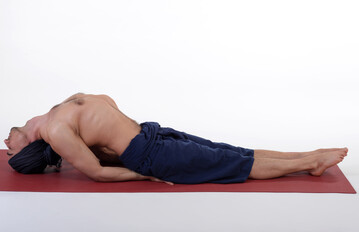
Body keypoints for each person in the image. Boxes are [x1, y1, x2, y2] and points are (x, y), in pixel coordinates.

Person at [3, 93, 348, 184]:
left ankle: (307, 154)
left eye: (7, 147)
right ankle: (310, 163)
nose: (6, 144)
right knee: (232, 163)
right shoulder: (57, 132)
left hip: (150, 132)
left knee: (230, 150)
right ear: (29, 150)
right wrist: (143, 174)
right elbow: (95, 171)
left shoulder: (50, 115)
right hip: (148, 154)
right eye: (11, 152)